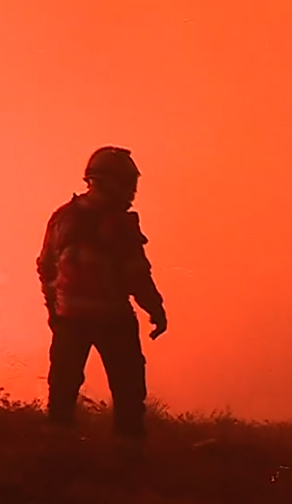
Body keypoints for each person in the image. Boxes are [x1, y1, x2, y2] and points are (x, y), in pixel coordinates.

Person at [36, 146, 168, 449]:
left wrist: (54, 309)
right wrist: (156, 309)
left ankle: (56, 453)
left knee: (63, 387)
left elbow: (45, 267)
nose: (132, 192)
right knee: (128, 388)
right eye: (128, 184)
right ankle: (127, 455)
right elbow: (137, 275)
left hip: (69, 319)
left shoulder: (63, 217)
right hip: (114, 320)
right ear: (110, 183)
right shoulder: (119, 225)